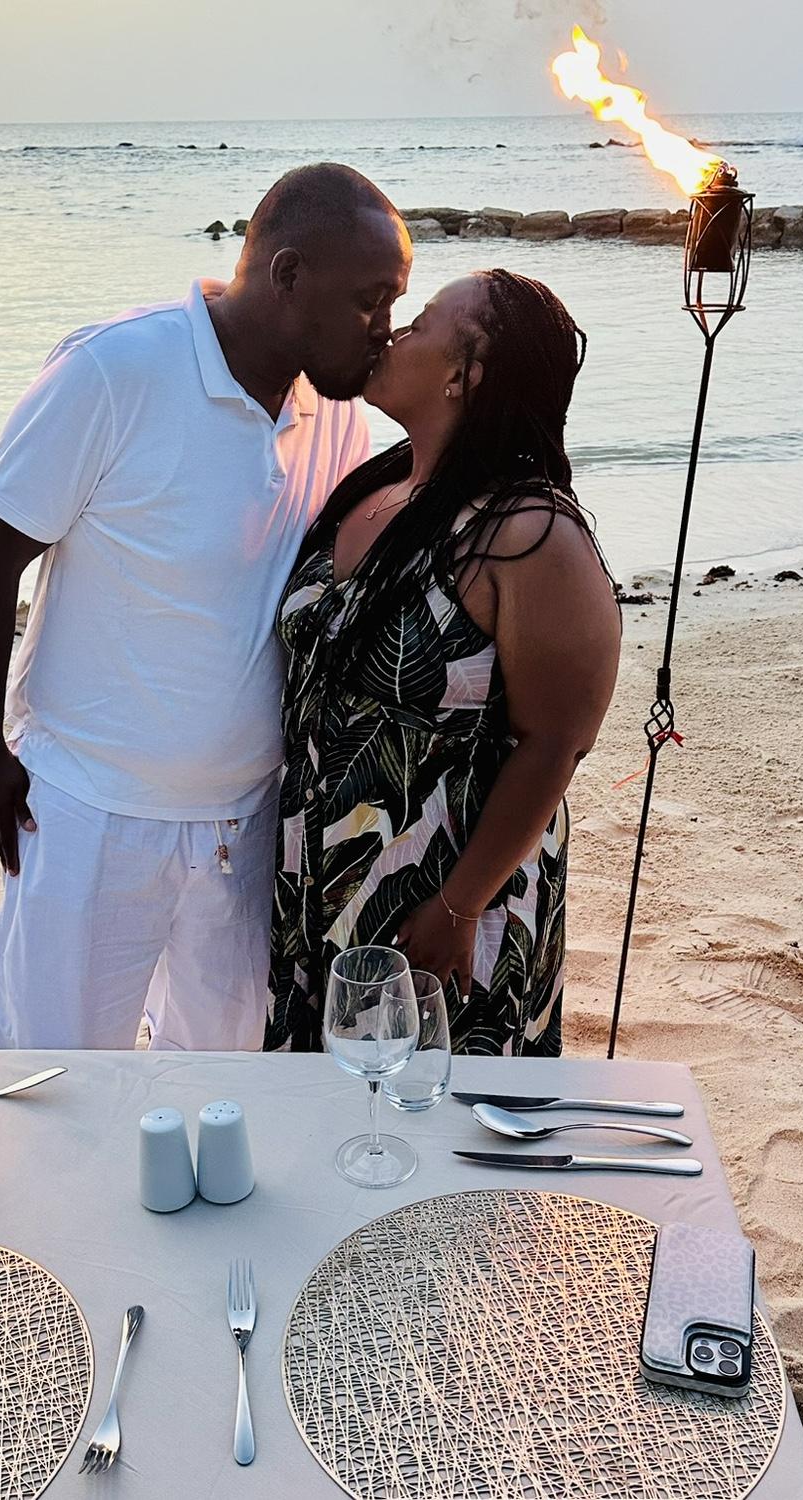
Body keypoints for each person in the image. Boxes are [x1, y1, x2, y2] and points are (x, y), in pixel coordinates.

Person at [0, 163, 412, 1051]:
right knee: (53, 1079)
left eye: (393, 303)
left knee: (221, 1087)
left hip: (247, 821)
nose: (384, 328)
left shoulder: (336, 415)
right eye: (370, 300)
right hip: (90, 808)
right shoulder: (113, 369)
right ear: (288, 276)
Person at [265, 269, 621, 1056]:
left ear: (465, 373)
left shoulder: (528, 534)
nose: (392, 333)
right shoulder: (379, 484)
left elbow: (556, 744)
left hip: (441, 898)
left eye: (419, 323)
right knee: (323, 1105)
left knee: (435, 1110)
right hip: (317, 879)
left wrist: (460, 907)